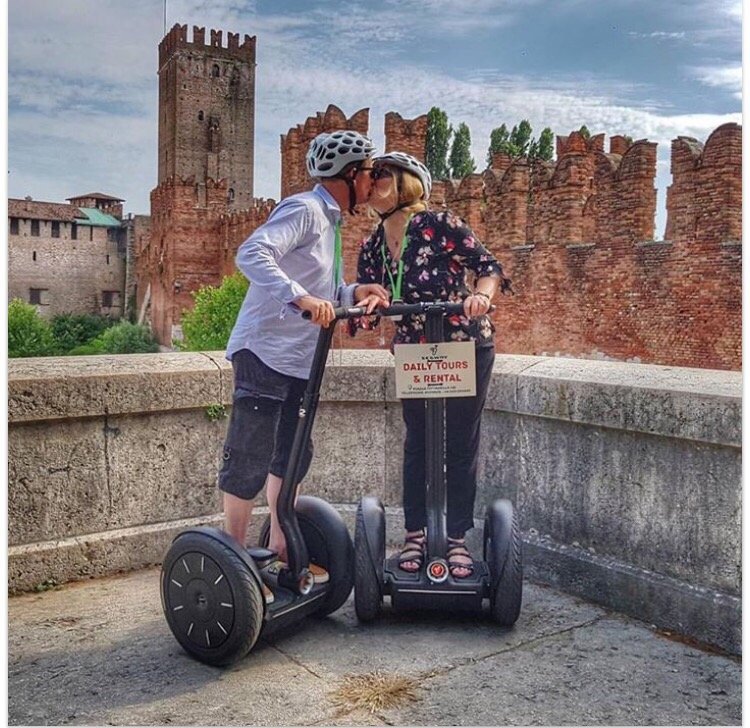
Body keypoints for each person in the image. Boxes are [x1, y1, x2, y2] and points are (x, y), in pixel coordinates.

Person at [220, 130, 390, 570]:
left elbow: (325, 290)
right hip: (263, 351)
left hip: (299, 358)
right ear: (349, 174)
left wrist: (352, 291)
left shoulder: (331, 222)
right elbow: (252, 253)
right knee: (250, 455)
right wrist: (299, 298)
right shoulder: (306, 209)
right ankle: (234, 556)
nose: (373, 182)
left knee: (293, 454)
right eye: (370, 173)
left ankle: (281, 542)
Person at [350, 151, 511, 579]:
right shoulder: (371, 245)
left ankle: (457, 537)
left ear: (408, 183)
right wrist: (370, 307)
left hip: (464, 345)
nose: (374, 180)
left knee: (460, 441)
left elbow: (488, 267)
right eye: (372, 175)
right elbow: (373, 293)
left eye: (383, 174)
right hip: (414, 351)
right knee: (417, 442)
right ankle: (416, 533)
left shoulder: (440, 225)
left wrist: (482, 296)